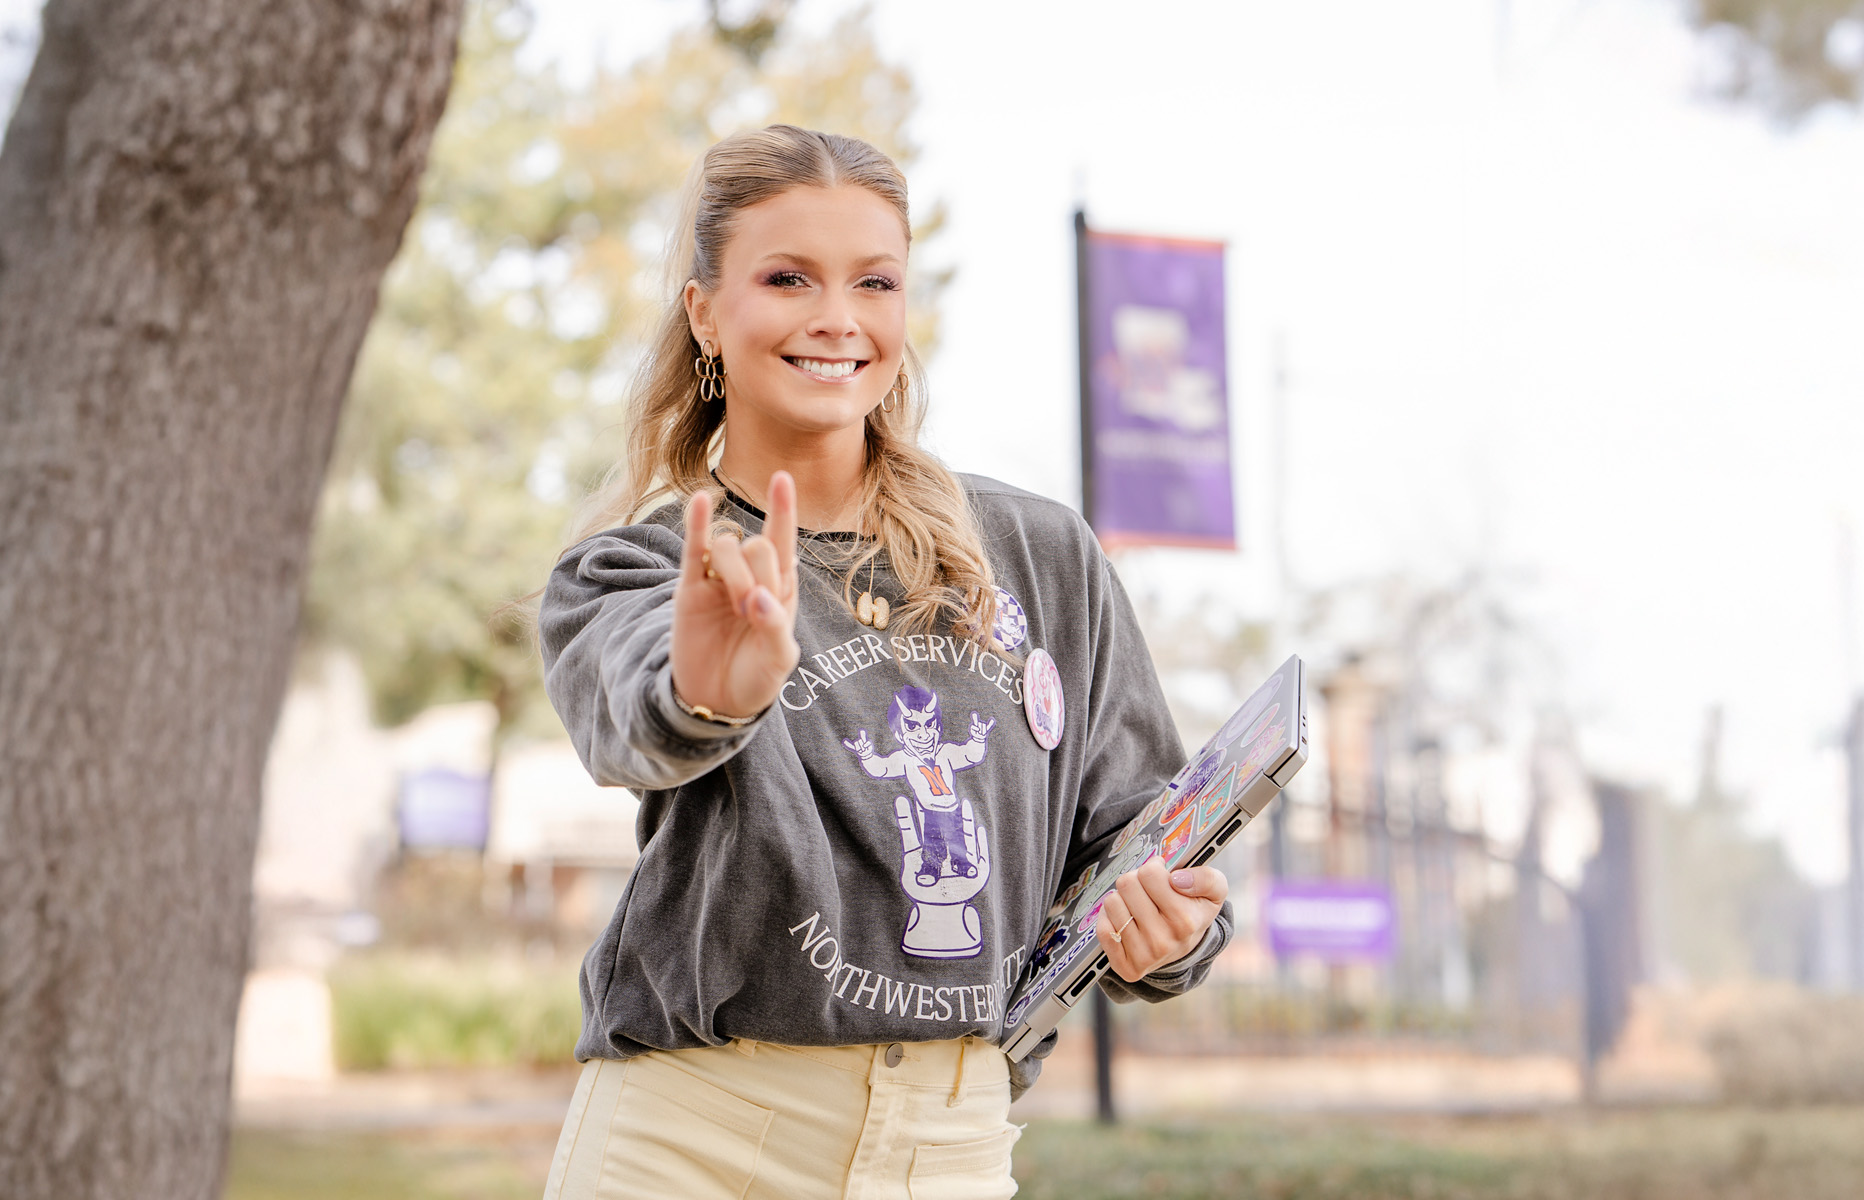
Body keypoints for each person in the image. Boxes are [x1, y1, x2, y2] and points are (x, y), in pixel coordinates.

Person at [534, 124, 1232, 1200]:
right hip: (691, 1148)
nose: (836, 316)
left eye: (874, 281)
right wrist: (706, 692)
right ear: (704, 313)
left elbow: (1137, 834)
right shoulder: (643, 568)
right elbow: (633, 716)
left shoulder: (1042, 557)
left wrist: (1172, 928)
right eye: (787, 278)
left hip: (952, 1151)